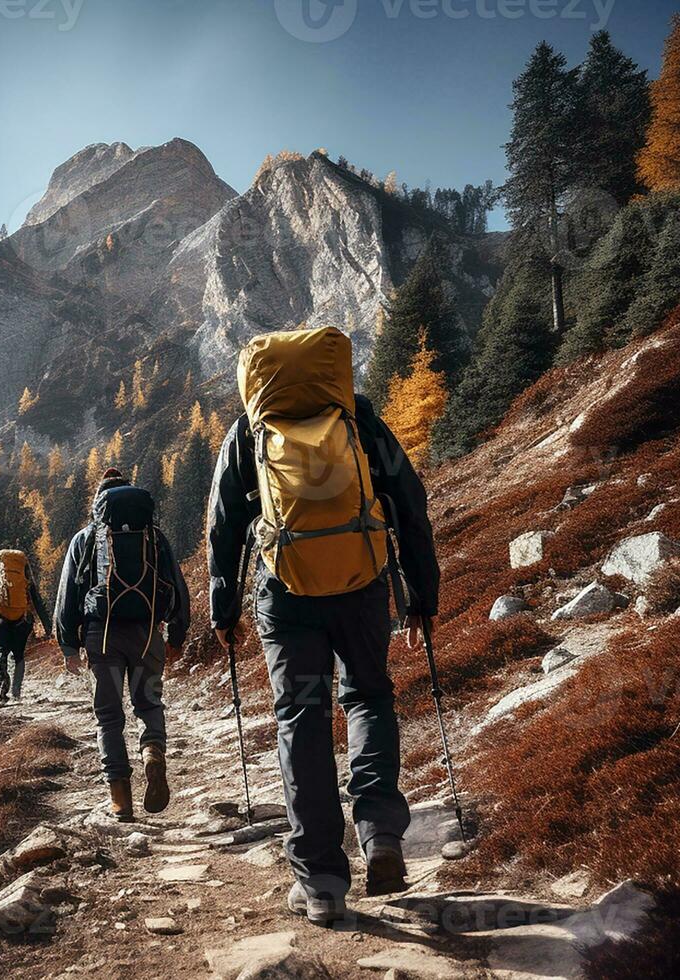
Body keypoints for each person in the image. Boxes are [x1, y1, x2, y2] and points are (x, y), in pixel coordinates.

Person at [207, 326, 440, 927]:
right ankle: (381, 834)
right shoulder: (360, 421)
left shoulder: (248, 435)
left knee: (302, 718)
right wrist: (421, 596)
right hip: (362, 588)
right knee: (367, 696)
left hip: (285, 598)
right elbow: (408, 505)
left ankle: (322, 882)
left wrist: (223, 607)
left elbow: (224, 525)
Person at [54, 468, 190, 821]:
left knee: (109, 718)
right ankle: (152, 754)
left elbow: (68, 594)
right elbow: (176, 583)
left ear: (98, 504)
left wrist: (68, 644)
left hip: (103, 636)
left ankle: (120, 799)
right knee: (148, 703)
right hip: (147, 634)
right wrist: (177, 634)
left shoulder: (85, 539)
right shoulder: (155, 537)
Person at [0, 549, 52, 704]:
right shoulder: (25, 577)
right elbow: (37, 601)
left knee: (1, 653)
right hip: (23, 621)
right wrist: (48, 626)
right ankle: (16, 693)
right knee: (19, 656)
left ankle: (3, 691)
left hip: (2, 620)